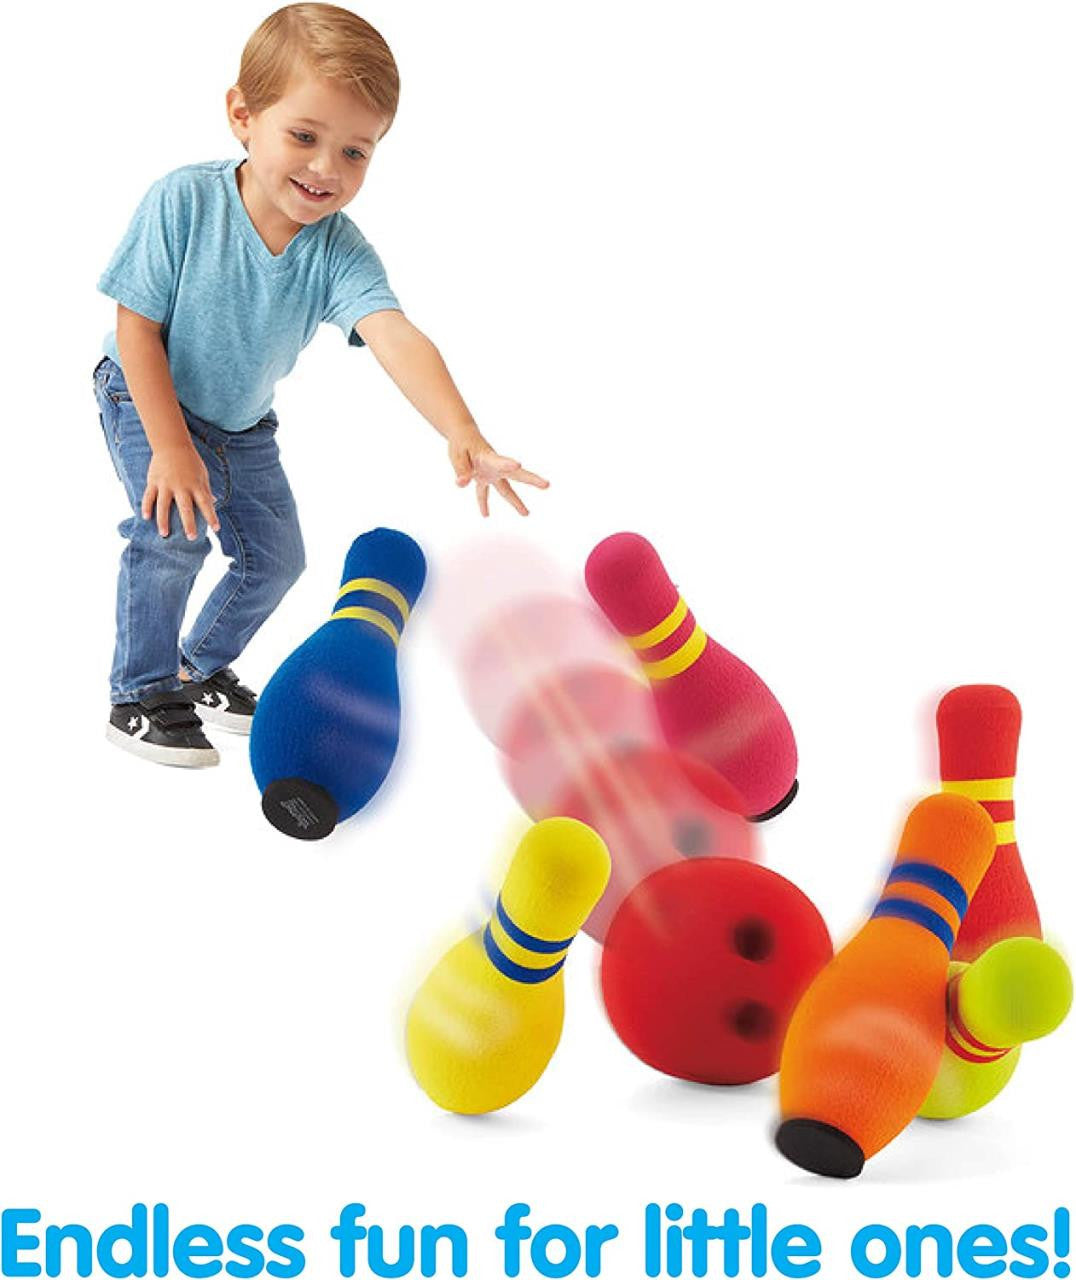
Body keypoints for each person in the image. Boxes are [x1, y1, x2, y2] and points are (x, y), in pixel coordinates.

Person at [95, 3, 547, 768]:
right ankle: (138, 692)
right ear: (243, 115)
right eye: (303, 137)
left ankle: (195, 669)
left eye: (355, 151)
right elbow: (135, 328)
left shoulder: (340, 252)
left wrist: (462, 431)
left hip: (241, 425)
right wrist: (170, 448)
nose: (326, 169)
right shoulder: (184, 201)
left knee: (276, 559)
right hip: (145, 396)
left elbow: (394, 334)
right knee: (174, 531)